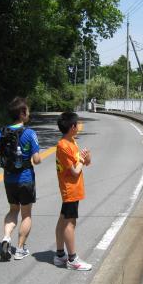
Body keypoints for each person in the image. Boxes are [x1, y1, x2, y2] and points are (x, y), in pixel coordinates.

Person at [0, 97, 41, 261]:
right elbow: (37, 159)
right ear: (22, 113)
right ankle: (19, 249)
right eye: (27, 110)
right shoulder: (29, 133)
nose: (29, 113)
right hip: (26, 178)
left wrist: (4, 165)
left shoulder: (1, 132)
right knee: (26, 214)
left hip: (9, 179)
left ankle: (6, 237)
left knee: (13, 210)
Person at [53, 112, 93, 271]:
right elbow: (75, 171)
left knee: (63, 220)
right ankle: (72, 259)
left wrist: (86, 158)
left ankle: (60, 254)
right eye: (77, 124)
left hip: (74, 189)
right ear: (72, 127)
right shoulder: (63, 145)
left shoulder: (72, 142)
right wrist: (82, 160)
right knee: (70, 223)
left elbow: (84, 163)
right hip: (70, 189)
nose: (79, 126)